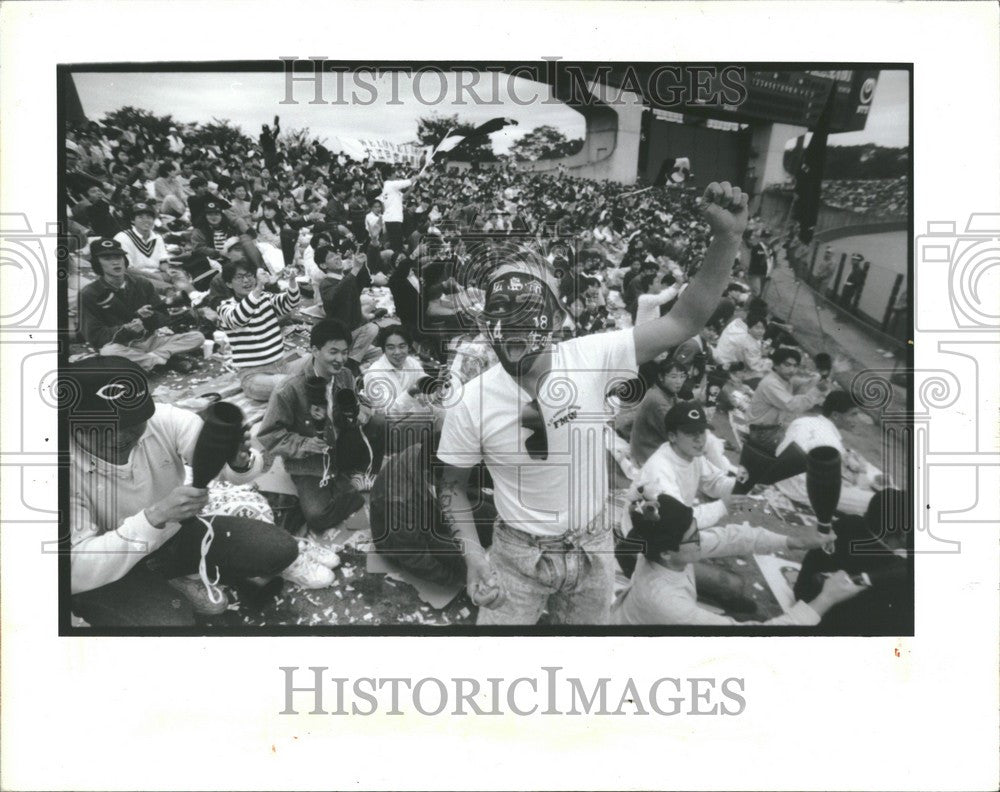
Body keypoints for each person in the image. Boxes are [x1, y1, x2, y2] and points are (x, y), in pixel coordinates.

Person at [436, 181, 751, 626]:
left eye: (528, 308)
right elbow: (453, 488)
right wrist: (473, 557)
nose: (511, 322)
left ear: (556, 319)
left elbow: (686, 318)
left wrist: (727, 239)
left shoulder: (592, 356)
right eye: (499, 309)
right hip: (515, 555)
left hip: (593, 546)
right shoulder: (470, 402)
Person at [65, 357, 314, 626]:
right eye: (103, 427)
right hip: (104, 570)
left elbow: (227, 469)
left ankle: (172, 576)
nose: (120, 436)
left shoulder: (164, 420)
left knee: (279, 549)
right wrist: (153, 517)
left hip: (171, 535)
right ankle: (159, 587)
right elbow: (73, 570)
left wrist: (237, 461)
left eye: (130, 422)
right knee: (170, 626)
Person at [611, 494, 868, 625]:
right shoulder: (666, 603)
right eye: (693, 536)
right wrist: (826, 598)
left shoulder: (671, 549)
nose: (702, 538)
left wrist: (795, 541)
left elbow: (732, 537)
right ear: (667, 552)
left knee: (732, 587)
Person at [258, 320, 369, 553]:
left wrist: (358, 413)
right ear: (315, 350)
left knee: (379, 423)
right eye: (333, 352)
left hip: (341, 446)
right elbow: (269, 435)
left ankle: (349, 479)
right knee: (317, 516)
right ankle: (350, 490)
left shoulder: (346, 375)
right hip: (312, 460)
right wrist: (306, 444)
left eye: (345, 352)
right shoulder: (289, 388)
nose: (340, 359)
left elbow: (353, 404)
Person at [795, 488, 912, 633]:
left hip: (802, 592)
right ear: (904, 534)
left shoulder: (850, 521)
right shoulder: (888, 566)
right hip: (827, 620)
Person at [79, 238, 204, 373]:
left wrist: (149, 317)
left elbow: (162, 318)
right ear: (97, 264)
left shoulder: (141, 283)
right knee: (107, 352)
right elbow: (95, 336)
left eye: (118, 256)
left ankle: (150, 361)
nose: (115, 262)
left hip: (150, 341)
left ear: (124, 260)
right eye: (107, 258)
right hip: (122, 346)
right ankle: (167, 362)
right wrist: (125, 329)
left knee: (197, 337)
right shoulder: (89, 293)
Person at [775, 391, 883, 516]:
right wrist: (861, 475)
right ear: (836, 415)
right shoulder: (832, 443)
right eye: (853, 414)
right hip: (802, 491)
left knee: (859, 463)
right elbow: (836, 484)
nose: (857, 420)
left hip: (781, 477)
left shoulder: (803, 420)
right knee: (876, 501)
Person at [215, 258, 302, 401]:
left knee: (318, 363)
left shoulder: (264, 298)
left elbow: (290, 302)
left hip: (282, 365)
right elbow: (238, 318)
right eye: (239, 277)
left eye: (249, 275)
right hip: (253, 375)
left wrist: (292, 281)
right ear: (229, 283)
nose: (246, 280)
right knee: (291, 385)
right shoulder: (225, 307)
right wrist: (258, 288)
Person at [745, 347, 827, 454]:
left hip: (771, 430)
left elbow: (808, 383)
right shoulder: (771, 383)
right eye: (787, 365)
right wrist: (817, 390)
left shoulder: (785, 379)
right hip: (762, 433)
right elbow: (794, 406)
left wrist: (826, 374)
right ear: (776, 365)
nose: (792, 370)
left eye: (795, 366)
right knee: (803, 450)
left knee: (809, 438)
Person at [628, 357, 690, 467]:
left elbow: (679, 404)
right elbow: (673, 436)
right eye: (673, 376)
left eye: (682, 376)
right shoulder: (658, 401)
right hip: (646, 453)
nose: (679, 382)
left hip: (648, 447)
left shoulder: (664, 391)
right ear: (661, 377)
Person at [113, 202, 172, 291]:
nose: (146, 220)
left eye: (149, 217)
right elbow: (127, 270)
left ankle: (194, 297)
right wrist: (155, 277)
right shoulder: (122, 237)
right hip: (134, 278)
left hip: (157, 274)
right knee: (170, 289)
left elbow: (162, 262)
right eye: (140, 217)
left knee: (181, 277)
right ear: (133, 221)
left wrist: (169, 271)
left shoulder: (157, 237)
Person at [713, 304, 772, 378]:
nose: (761, 330)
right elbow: (753, 366)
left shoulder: (737, 321)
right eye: (758, 327)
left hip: (719, 355)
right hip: (726, 366)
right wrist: (766, 358)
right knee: (766, 373)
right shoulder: (747, 337)